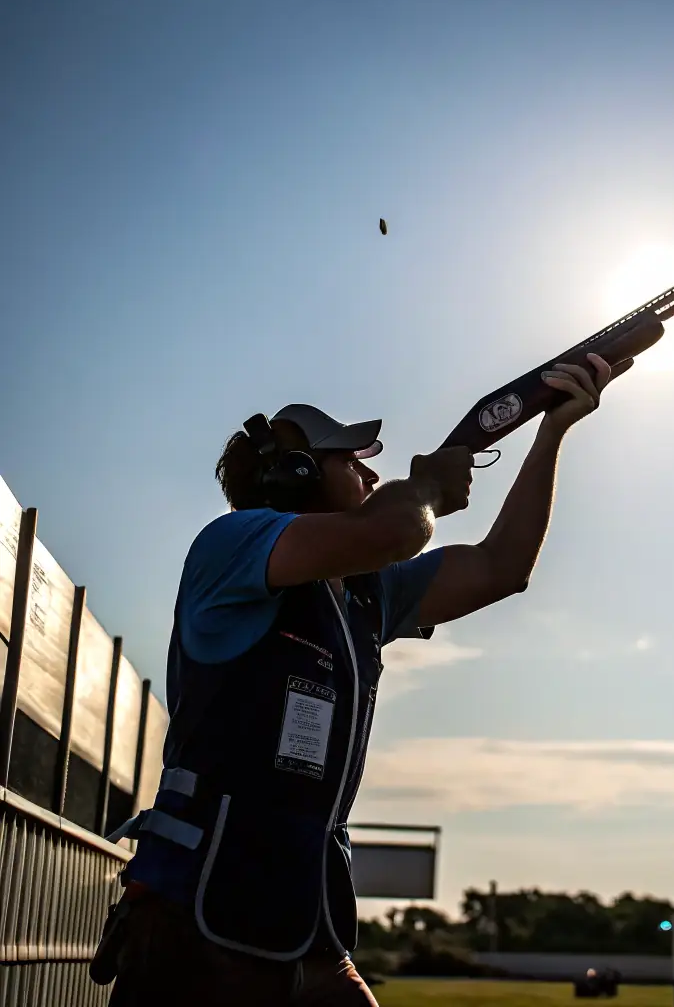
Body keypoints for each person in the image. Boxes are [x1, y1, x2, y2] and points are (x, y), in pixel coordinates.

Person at [97, 352, 627, 1006]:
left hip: (307, 924)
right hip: (196, 925)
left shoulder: (365, 592)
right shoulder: (231, 543)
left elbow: (502, 566)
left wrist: (552, 430)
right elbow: (397, 528)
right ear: (295, 474)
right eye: (350, 460)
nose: (372, 474)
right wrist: (426, 487)